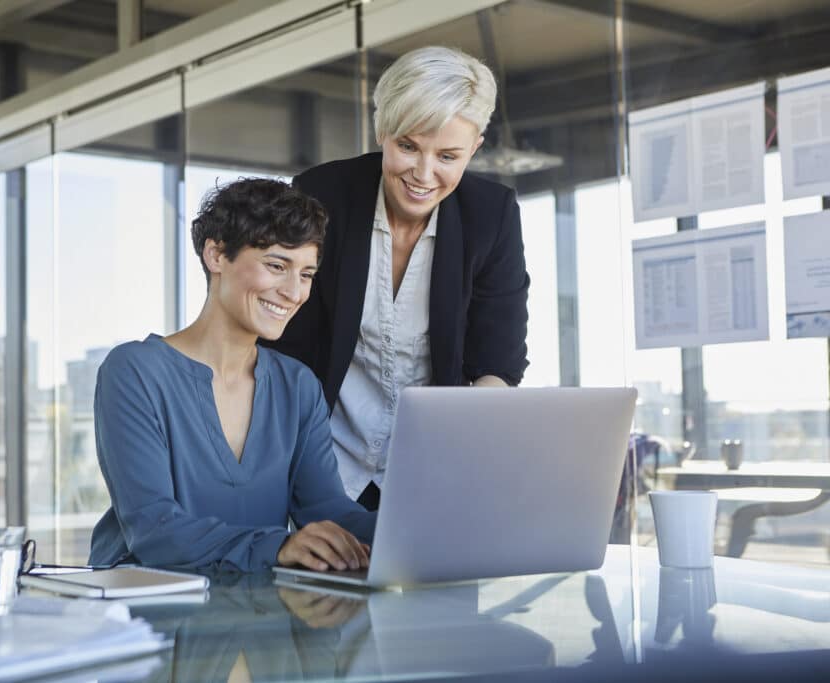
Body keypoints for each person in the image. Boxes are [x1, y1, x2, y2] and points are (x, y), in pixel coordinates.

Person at [267, 46, 531, 510]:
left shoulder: (492, 216)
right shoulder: (321, 196)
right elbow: (284, 346)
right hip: (323, 462)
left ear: (475, 148)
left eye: (448, 155)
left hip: (432, 470)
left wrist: (468, 434)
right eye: (408, 146)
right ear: (382, 131)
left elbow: (500, 360)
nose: (423, 175)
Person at [88, 178, 375, 573]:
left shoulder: (298, 385)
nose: (294, 292)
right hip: (146, 618)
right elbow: (154, 529)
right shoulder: (134, 373)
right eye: (277, 266)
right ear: (217, 255)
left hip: (255, 620)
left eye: (306, 274)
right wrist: (279, 547)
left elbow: (326, 510)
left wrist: (413, 533)